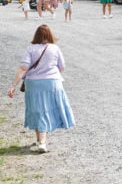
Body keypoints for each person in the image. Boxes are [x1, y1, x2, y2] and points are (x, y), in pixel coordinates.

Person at [6, 24, 75, 153]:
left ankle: (42, 142)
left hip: (34, 84)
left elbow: (23, 68)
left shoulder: (31, 48)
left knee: (37, 110)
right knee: (46, 110)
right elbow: (62, 67)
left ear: (36, 35)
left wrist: (13, 85)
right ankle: (40, 140)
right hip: (53, 83)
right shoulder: (55, 48)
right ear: (50, 35)